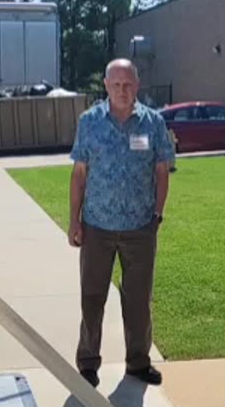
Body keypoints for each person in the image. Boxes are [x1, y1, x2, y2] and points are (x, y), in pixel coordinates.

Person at [68, 58, 175, 387]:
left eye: (128, 84)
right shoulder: (89, 122)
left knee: (138, 300)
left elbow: (162, 171)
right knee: (92, 297)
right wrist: (75, 221)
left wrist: (156, 215)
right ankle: (88, 362)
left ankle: (139, 362)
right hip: (97, 227)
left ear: (137, 86)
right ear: (105, 85)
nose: (122, 90)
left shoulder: (153, 123)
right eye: (115, 84)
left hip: (140, 228)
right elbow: (79, 174)